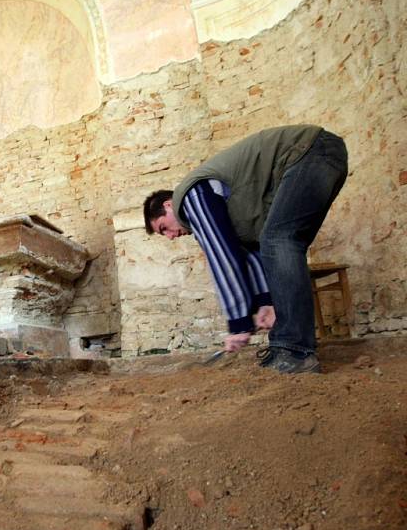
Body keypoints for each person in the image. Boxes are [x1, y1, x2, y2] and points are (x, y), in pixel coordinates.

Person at [143, 124, 348, 374]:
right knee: (280, 242)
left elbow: (223, 258)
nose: (171, 237)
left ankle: (294, 351)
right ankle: (293, 348)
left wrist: (239, 322)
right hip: (324, 156)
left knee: (279, 239)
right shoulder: (223, 211)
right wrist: (265, 302)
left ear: (168, 205)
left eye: (164, 228)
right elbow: (250, 253)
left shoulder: (189, 196)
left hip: (310, 153)